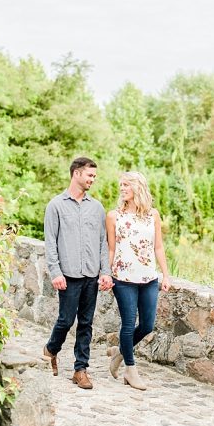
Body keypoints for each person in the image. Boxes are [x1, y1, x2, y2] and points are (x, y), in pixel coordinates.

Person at [42, 156, 113, 389]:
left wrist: (106, 272)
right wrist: (55, 271)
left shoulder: (97, 208)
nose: (93, 179)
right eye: (90, 175)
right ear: (76, 174)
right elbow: (50, 241)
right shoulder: (56, 206)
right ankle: (51, 349)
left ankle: (80, 369)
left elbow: (103, 243)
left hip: (91, 275)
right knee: (65, 320)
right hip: (68, 275)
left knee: (86, 323)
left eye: (94, 176)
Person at [106, 171, 172, 390]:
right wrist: (106, 274)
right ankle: (130, 370)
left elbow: (159, 246)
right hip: (123, 278)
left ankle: (119, 352)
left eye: (126, 184)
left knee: (147, 325)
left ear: (138, 187)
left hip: (149, 278)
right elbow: (111, 248)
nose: (122, 188)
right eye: (121, 185)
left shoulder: (152, 215)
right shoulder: (114, 216)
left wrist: (166, 274)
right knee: (127, 324)